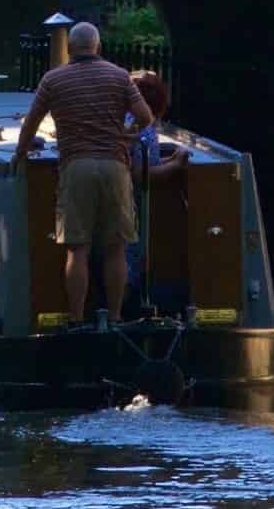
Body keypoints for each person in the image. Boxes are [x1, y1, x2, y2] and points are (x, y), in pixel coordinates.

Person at [12, 22, 153, 327]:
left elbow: (31, 123)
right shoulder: (119, 77)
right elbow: (145, 117)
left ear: (69, 49)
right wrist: (126, 136)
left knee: (78, 248)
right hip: (115, 166)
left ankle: (76, 319)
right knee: (116, 247)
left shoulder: (53, 79)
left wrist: (19, 154)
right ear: (98, 47)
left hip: (76, 167)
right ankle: (114, 318)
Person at [123, 72, 189, 315]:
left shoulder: (121, 119)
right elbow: (140, 176)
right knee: (127, 257)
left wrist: (166, 159)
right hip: (127, 205)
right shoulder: (145, 128)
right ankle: (122, 312)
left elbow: (140, 163)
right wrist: (176, 165)